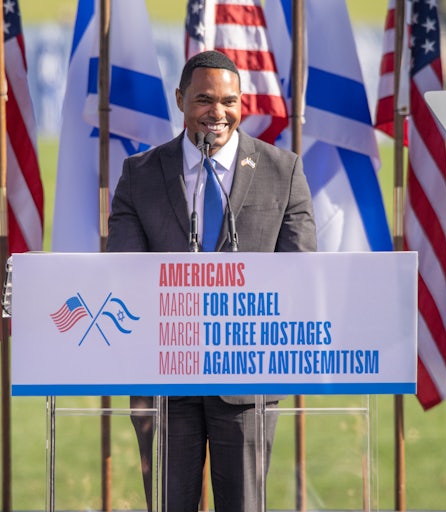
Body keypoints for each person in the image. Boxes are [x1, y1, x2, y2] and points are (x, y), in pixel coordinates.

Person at [106, 50, 317, 512]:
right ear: (180, 99)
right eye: (204, 99)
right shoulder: (139, 174)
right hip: (162, 376)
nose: (217, 112)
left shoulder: (283, 171)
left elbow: (300, 272)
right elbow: (122, 272)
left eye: (228, 100)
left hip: (247, 377)